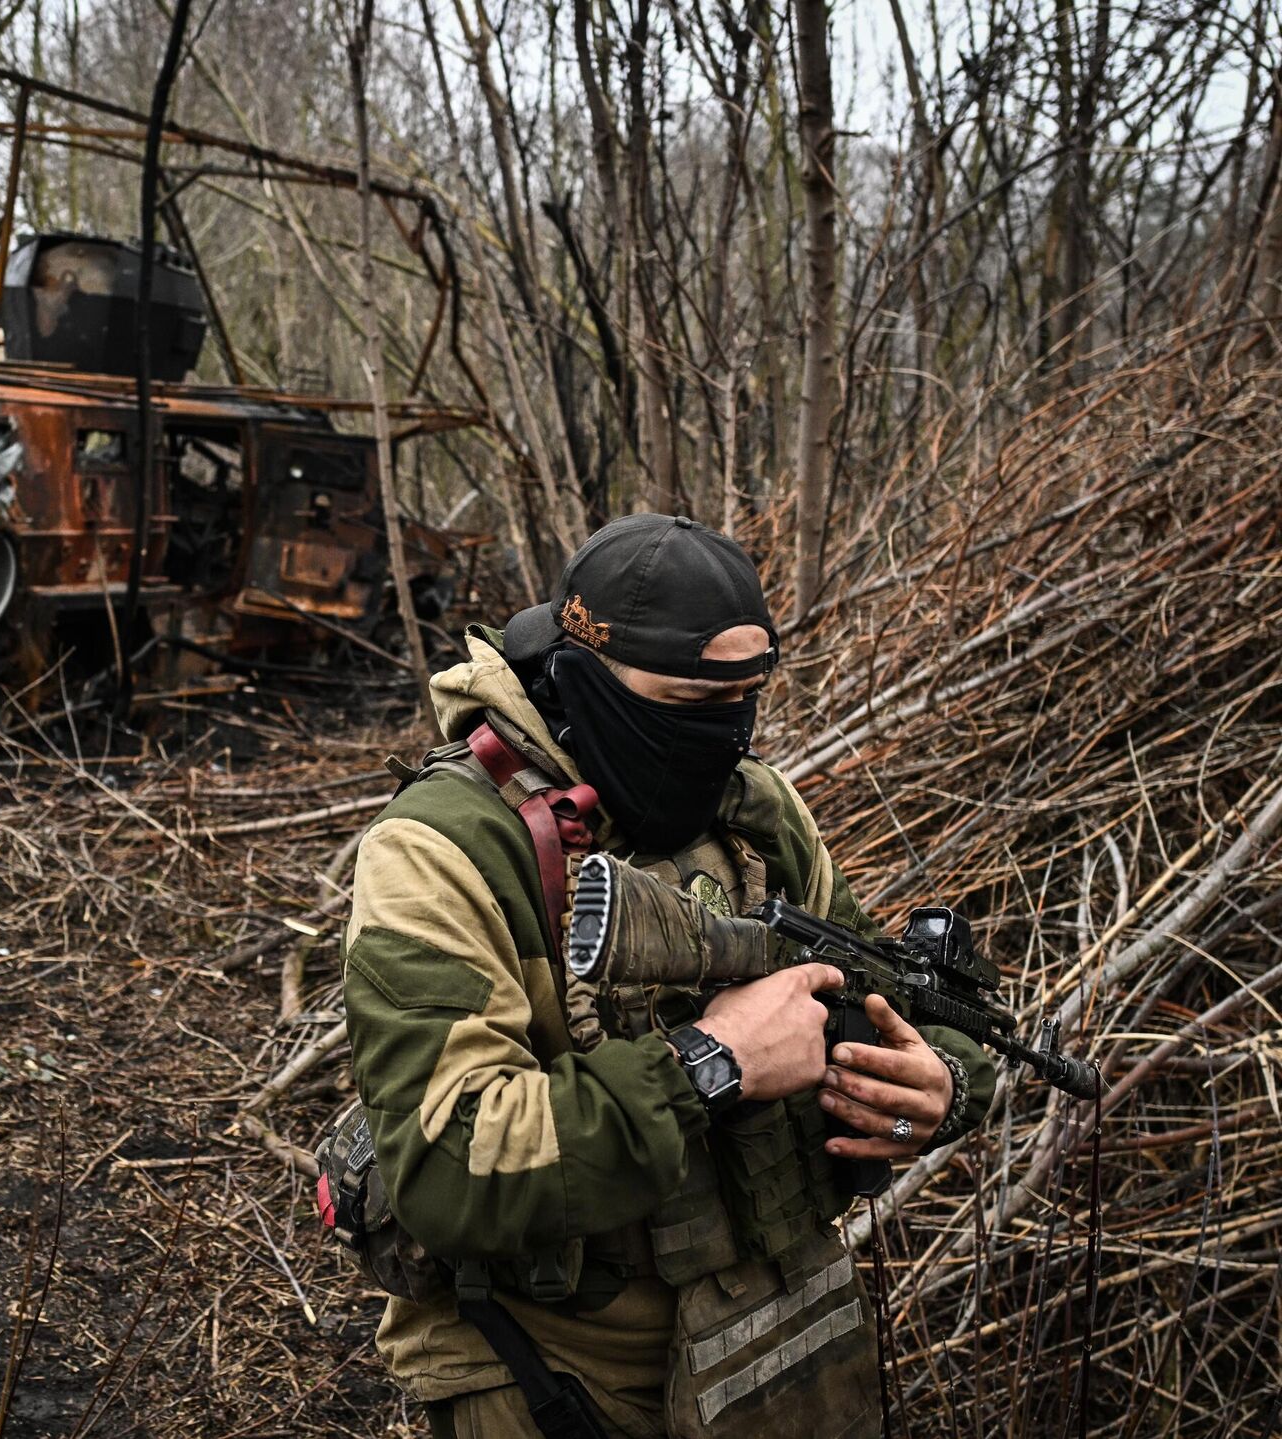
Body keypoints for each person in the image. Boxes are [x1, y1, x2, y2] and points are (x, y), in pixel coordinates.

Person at [340, 515, 995, 1438]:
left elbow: (887, 985)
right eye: (691, 699)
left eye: (744, 699)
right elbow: (448, 1170)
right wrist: (714, 1060)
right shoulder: (442, 846)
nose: (725, 732)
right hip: (555, 1371)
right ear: (585, 677)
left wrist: (938, 1086)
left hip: (778, 1341)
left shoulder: (753, 813)